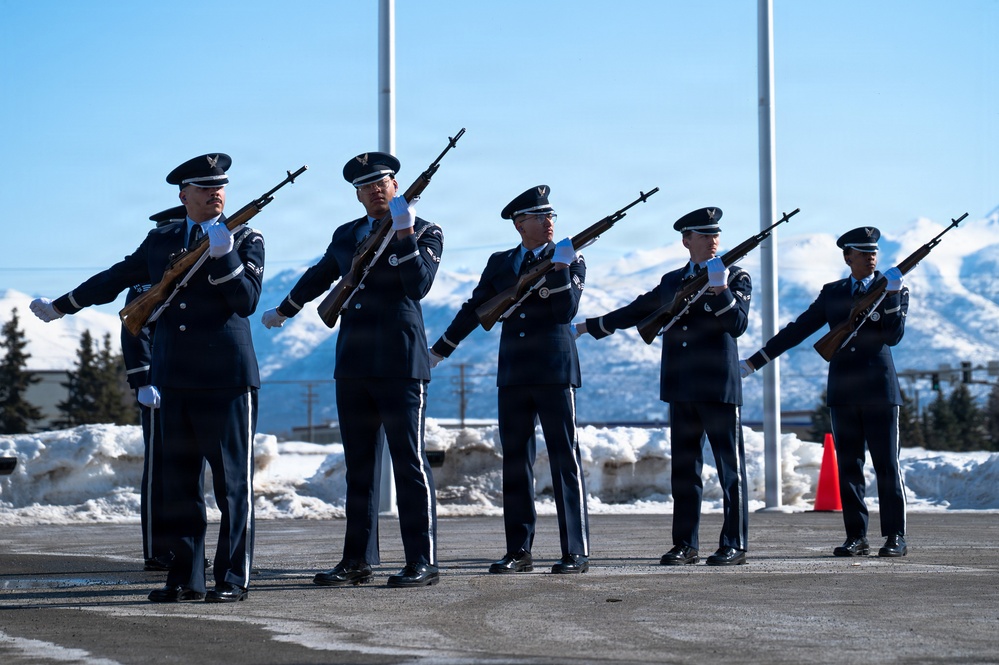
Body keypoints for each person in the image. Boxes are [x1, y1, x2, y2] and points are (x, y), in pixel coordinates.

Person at [30, 153, 264, 602]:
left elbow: (246, 300)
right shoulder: (163, 239)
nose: (215, 192)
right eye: (203, 186)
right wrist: (65, 305)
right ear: (183, 195)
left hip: (226, 380)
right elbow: (120, 276)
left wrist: (225, 256)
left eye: (220, 186)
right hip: (174, 376)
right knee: (178, 485)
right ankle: (185, 578)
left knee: (232, 486)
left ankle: (233, 580)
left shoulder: (246, 237)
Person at [261, 151, 443, 587]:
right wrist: (287, 308)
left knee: (409, 462)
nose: (376, 189)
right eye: (367, 185)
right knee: (358, 466)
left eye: (383, 181)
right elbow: (322, 274)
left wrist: (402, 235)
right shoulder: (347, 234)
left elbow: (418, 284)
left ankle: (423, 560)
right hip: (354, 362)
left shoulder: (426, 230)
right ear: (358, 194)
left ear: (397, 186)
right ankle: (356, 560)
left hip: (400, 360)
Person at [576, 207, 752, 566]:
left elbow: (737, 325)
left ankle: (734, 544)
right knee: (685, 470)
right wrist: (591, 327)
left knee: (729, 470)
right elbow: (640, 308)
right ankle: (685, 544)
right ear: (687, 240)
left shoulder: (736, 277)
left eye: (715, 234)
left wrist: (720, 290)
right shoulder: (673, 280)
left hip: (718, 386)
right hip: (681, 384)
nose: (713, 239)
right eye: (704, 235)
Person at [429, 185, 590, 575]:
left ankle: (576, 551)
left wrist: (563, 268)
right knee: (515, 461)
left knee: (564, 458)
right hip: (514, 371)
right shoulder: (501, 262)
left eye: (551, 216)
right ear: (520, 224)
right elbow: (475, 307)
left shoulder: (570, 258)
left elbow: (564, 312)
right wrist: (441, 348)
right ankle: (519, 550)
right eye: (539, 217)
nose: (549, 222)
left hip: (554, 371)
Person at [741, 226, 909, 557]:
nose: (870, 256)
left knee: (887, 465)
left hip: (880, 390)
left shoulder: (892, 289)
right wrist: (755, 361)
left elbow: (893, 336)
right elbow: (799, 330)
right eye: (862, 252)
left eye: (873, 251)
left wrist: (891, 296)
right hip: (844, 389)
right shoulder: (833, 293)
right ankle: (856, 536)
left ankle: (895, 537)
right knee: (849, 466)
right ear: (848, 257)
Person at [126, 204, 186, 572]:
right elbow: (133, 331)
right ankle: (156, 549)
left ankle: (182, 549)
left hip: (189, 384)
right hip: (158, 387)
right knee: (160, 469)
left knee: (183, 471)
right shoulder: (146, 281)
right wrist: (143, 381)